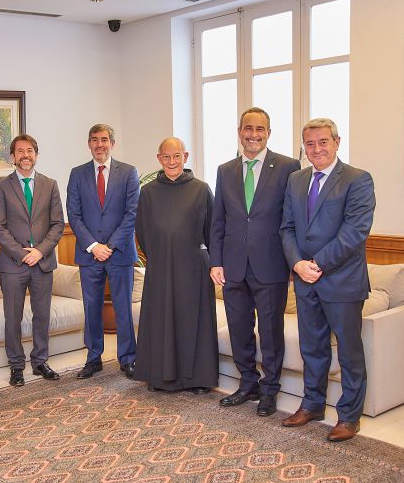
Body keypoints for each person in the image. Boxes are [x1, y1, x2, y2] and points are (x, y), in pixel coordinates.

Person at [280, 118, 375, 442]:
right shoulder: (296, 180)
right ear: (304, 147)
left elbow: (355, 233)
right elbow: (287, 228)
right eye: (310, 144)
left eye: (322, 142)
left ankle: (349, 416)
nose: (316, 149)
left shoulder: (357, 179)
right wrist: (297, 264)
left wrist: (316, 264)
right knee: (313, 347)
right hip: (305, 280)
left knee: (349, 351)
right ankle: (313, 405)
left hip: (342, 282)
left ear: (337, 142)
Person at [209, 107, 300, 417]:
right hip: (234, 265)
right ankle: (248, 383)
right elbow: (218, 219)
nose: (253, 134)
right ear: (240, 131)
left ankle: (270, 390)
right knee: (239, 328)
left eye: (260, 129)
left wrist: (293, 262)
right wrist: (216, 261)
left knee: (271, 331)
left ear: (268, 133)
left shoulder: (288, 167)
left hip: (271, 264)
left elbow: (293, 219)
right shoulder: (225, 170)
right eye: (248, 128)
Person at [134, 137, 219, 393]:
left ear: (186, 156)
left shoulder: (201, 189)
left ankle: (198, 379)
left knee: (193, 322)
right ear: (159, 159)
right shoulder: (147, 193)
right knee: (161, 321)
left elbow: (212, 230)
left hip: (193, 267)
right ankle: (160, 377)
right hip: (160, 267)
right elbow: (142, 232)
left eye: (177, 156)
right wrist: (162, 255)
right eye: (167, 157)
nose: (172, 161)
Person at [0, 134, 65, 386]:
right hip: (14, 264)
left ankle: (40, 361)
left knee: (42, 314)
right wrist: (23, 253)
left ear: (36, 154)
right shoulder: (1, 187)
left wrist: (40, 251)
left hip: (43, 261)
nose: (26, 155)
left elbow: (57, 224)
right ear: (13, 157)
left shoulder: (50, 184)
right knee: (13, 317)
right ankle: (16, 365)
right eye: (20, 151)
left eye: (30, 150)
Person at [67, 124, 138, 380]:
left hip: (119, 253)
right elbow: (73, 216)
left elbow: (132, 214)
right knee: (92, 307)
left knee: (123, 308)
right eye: (95, 140)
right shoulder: (77, 174)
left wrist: (109, 246)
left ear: (112, 144)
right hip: (89, 254)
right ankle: (93, 358)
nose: (100, 145)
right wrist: (94, 246)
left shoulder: (128, 172)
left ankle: (128, 359)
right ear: (89, 144)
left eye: (104, 140)